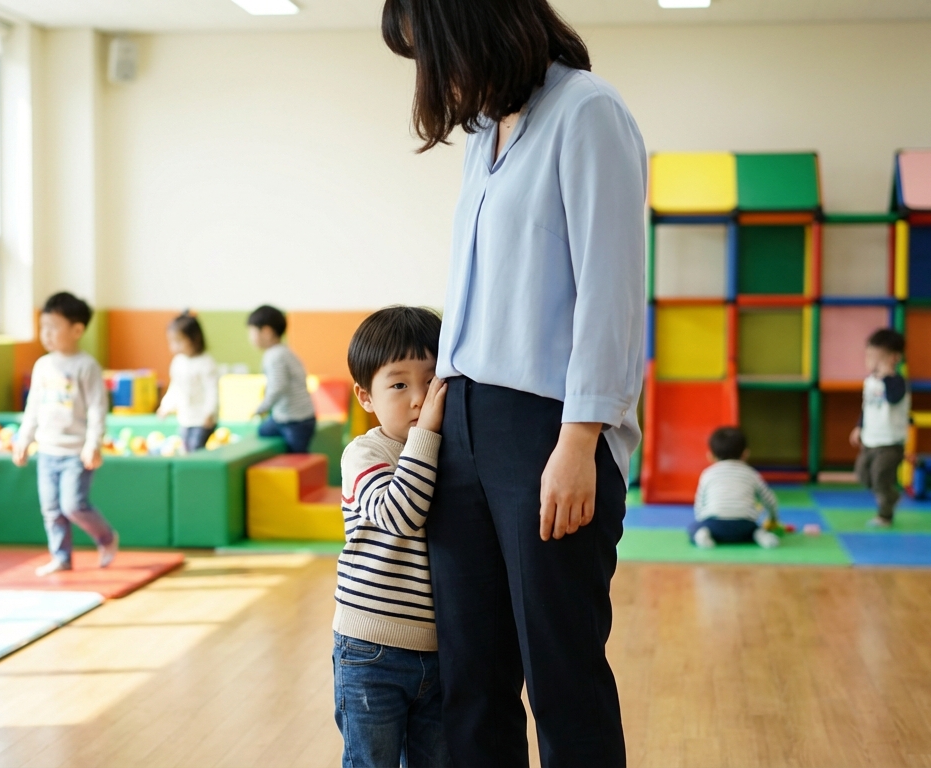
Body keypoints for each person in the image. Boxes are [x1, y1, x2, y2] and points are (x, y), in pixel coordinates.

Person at [383, 0, 646, 763]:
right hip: (461, 420)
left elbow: (610, 291)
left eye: (432, 51)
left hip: (547, 428)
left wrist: (580, 439)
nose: (435, 75)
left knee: (562, 675)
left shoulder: (586, 111)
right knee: (472, 678)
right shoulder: (482, 135)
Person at [333, 306, 450, 768]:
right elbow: (399, 514)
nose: (419, 398)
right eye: (399, 385)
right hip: (370, 649)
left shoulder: (445, 451)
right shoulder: (364, 453)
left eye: (431, 381)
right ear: (366, 397)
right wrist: (427, 434)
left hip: (438, 649)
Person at [14, 291, 120, 576]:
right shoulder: (43, 366)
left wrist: (93, 443)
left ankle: (106, 537)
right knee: (51, 509)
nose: (46, 334)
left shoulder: (86, 366)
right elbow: (33, 407)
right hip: (48, 451)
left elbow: (97, 408)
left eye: (53, 327)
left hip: (75, 451)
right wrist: (24, 438)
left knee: (73, 506)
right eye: (43, 327)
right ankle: (61, 557)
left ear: (77, 330)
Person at [849, 328, 910, 528]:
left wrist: (887, 376)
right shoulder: (870, 382)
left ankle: (885, 515)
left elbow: (893, 398)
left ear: (894, 358)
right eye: (869, 356)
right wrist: (859, 427)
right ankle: (891, 496)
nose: (871, 362)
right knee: (862, 474)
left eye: (877, 358)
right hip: (870, 439)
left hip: (890, 442)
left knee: (880, 477)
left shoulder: (897, 382)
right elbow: (867, 407)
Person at [689, 427, 781, 549]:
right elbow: (769, 500)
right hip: (744, 526)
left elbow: (699, 504)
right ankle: (760, 535)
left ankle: (703, 535)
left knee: (693, 527)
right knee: (755, 528)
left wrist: (702, 522)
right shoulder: (751, 474)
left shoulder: (707, 474)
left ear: (710, 456)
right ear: (746, 454)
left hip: (715, 526)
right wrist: (773, 518)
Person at [247, 305, 317, 454]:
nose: (250, 337)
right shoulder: (284, 351)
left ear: (267, 332)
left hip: (295, 421)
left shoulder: (275, 356)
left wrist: (262, 408)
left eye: (252, 332)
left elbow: (278, 387)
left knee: (296, 456)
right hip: (287, 417)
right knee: (262, 431)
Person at [158, 311, 220, 453]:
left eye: (179, 341)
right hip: (186, 417)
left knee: (195, 448)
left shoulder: (206, 363)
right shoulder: (178, 362)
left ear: (194, 339)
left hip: (202, 418)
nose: (174, 346)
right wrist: (166, 406)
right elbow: (175, 387)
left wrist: (209, 412)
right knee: (185, 448)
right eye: (172, 342)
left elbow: (212, 390)